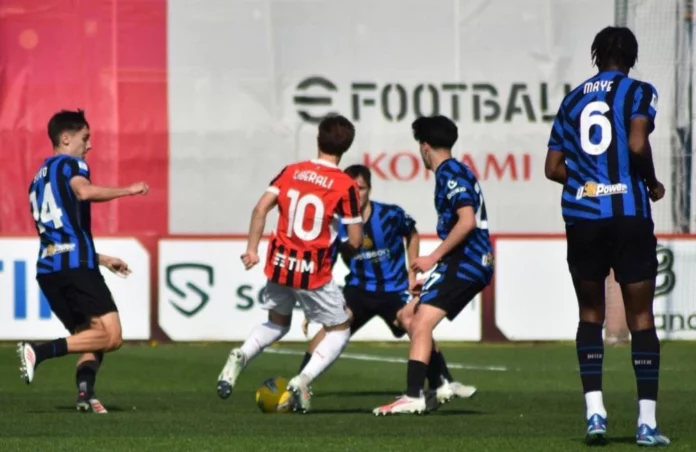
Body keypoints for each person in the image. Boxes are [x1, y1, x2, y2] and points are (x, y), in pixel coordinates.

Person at [544, 26, 670, 446]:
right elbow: (637, 144)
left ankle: (595, 414)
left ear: (596, 56)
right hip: (629, 216)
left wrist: (586, 182)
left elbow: (552, 167)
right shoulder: (639, 91)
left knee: (590, 316)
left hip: (584, 217)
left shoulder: (573, 99)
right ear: (631, 57)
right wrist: (650, 181)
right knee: (641, 319)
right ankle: (646, 424)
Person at [216, 114, 363, 413]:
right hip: (314, 272)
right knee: (340, 329)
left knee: (277, 323)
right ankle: (303, 380)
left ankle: (242, 354)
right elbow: (357, 240)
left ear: (318, 139)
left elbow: (261, 208)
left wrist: (252, 249)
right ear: (346, 148)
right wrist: (343, 238)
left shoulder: (291, 171)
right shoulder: (345, 185)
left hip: (280, 263)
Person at [298, 164, 476, 405]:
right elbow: (325, 261)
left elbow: (412, 233)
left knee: (417, 322)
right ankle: (299, 382)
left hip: (393, 289)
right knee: (332, 327)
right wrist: (315, 299)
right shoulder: (336, 223)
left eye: (359, 188)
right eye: (350, 189)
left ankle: (441, 382)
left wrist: (412, 270)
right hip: (358, 289)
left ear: (369, 189)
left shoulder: (390, 214)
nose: (355, 194)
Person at [18, 109, 149, 413]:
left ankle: (85, 394)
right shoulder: (71, 164)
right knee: (112, 336)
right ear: (65, 138)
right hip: (75, 267)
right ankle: (39, 351)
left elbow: (58, 233)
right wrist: (126, 190)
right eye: (85, 138)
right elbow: (84, 191)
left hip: (50, 270)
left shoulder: (37, 180)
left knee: (91, 336)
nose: (89, 146)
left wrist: (101, 259)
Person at [373, 115, 493, 416]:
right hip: (464, 261)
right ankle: (442, 384)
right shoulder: (456, 170)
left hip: (465, 262)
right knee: (409, 316)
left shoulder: (449, 172)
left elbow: (467, 221)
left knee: (421, 321)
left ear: (424, 147)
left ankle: (413, 395)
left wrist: (432, 258)